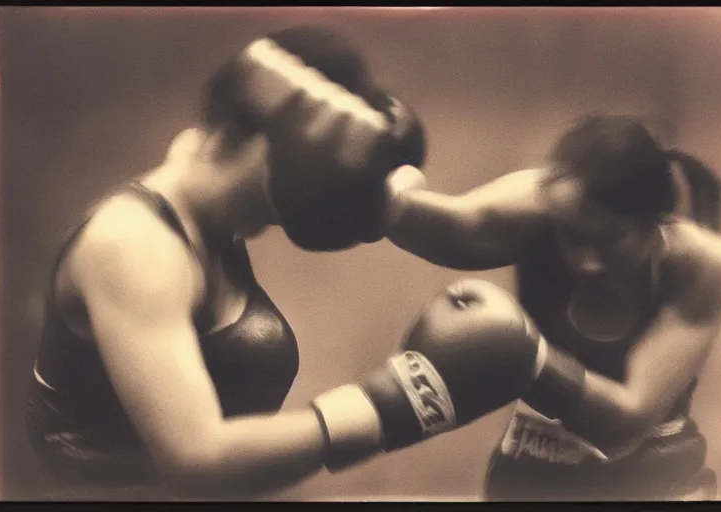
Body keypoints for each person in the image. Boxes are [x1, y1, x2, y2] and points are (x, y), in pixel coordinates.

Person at [24, 25, 439, 500]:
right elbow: (199, 458)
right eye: (315, 149)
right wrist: (398, 402)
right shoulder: (133, 246)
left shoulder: (216, 232)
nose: (324, 175)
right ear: (240, 134)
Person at [383, 114, 721, 501]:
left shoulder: (700, 263)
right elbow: (435, 226)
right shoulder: (540, 206)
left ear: (655, 225)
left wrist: (527, 356)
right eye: (571, 235)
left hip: (653, 477)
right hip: (535, 472)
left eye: (609, 241)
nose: (586, 262)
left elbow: (629, 417)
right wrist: (381, 186)